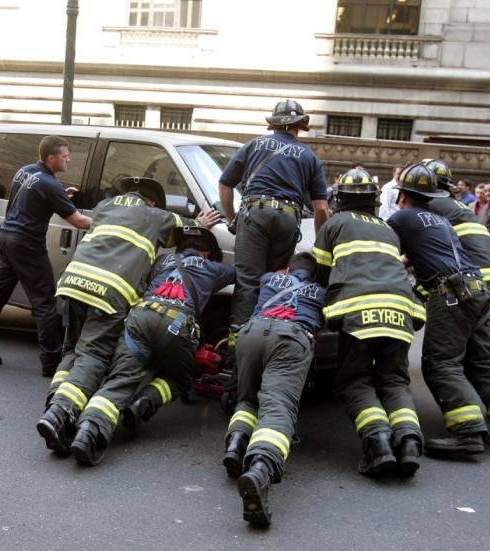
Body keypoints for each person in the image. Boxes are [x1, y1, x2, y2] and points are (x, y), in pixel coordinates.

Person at [36, 177, 219, 453]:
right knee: (95, 356)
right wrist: (202, 222)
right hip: (108, 292)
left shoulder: (104, 206)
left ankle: (55, 404)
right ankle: (61, 412)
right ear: (153, 201)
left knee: (74, 350)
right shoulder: (156, 215)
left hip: (72, 284)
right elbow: (189, 230)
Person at [387, 163, 490, 456]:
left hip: (451, 294)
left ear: (403, 195)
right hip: (478, 289)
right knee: (482, 359)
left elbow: (384, 250)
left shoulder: (402, 218)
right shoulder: (441, 220)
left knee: (441, 362)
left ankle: (467, 432)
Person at [60, 227, 234, 465]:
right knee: (180, 379)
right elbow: (244, 274)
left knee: (120, 379)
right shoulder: (212, 267)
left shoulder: (162, 261)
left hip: (140, 319)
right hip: (177, 324)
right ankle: (144, 403)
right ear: (205, 253)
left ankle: (88, 431)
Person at [313, 168, 426, 477]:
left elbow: (320, 272)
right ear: (374, 201)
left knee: (355, 380)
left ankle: (378, 444)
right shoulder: (388, 230)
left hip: (358, 311)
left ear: (340, 199)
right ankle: (409, 442)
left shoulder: (334, 224)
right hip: (400, 310)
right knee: (393, 380)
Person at [0, 136, 92, 375]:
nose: (69, 159)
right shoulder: (50, 185)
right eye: (65, 156)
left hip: (7, 238)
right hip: (27, 245)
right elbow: (79, 221)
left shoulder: (25, 172)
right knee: (44, 303)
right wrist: (111, 222)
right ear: (51, 158)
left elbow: (30, 194)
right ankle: (52, 363)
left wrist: (61, 194)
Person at [422, 159, 490, 423]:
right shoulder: (458, 206)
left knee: (483, 354)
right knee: (489, 349)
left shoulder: (430, 206)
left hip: (477, 284)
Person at [221, 252, 324, 527]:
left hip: (251, 332)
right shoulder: (319, 290)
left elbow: (273, 277)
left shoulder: (269, 278)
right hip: (290, 338)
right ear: (313, 276)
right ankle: (260, 470)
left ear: (288, 269)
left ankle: (236, 444)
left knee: (248, 397)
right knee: (278, 406)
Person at [218, 99, 328, 334]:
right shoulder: (310, 157)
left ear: (273, 125)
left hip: (254, 214)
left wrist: (231, 219)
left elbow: (225, 185)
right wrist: (321, 244)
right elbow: (320, 208)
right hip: (288, 219)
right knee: (277, 279)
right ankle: (268, 332)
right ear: (300, 126)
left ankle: (238, 344)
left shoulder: (252, 145)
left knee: (248, 282)